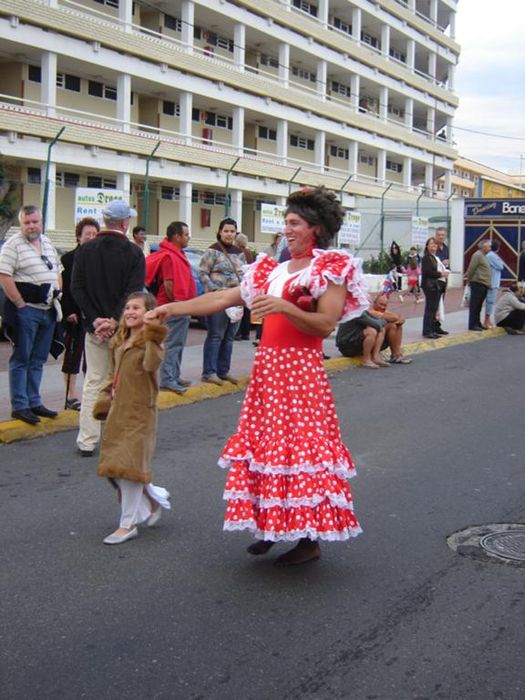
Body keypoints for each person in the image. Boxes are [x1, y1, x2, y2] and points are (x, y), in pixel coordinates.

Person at [146, 186, 368, 566]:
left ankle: (308, 539)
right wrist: (173, 308)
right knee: (266, 449)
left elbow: (325, 324)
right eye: (286, 223)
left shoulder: (329, 267)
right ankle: (271, 526)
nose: (288, 229)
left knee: (301, 451)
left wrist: (284, 306)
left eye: (295, 223)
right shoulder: (273, 269)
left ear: (315, 227)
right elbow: (222, 299)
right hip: (268, 371)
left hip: (300, 374)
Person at [93, 292, 170, 545]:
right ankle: (152, 497)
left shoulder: (152, 343)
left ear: (148, 312)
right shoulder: (119, 341)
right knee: (113, 470)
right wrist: (104, 398)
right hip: (118, 411)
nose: (130, 312)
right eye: (127, 307)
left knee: (129, 469)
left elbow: (150, 365)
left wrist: (153, 334)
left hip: (139, 412)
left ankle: (127, 525)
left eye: (136, 308)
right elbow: (111, 374)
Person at [71, 200, 145, 456]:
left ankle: (87, 440)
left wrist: (95, 320)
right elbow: (134, 292)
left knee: (94, 381)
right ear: (125, 223)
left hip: (94, 329)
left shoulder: (85, 251)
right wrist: (115, 319)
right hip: (123, 327)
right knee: (122, 382)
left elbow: (77, 288)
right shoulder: (134, 253)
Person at [0, 205, 62, 425]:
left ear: (41, 222)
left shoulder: (47, 242)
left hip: (48, 310)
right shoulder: (12, 246)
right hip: (26, 311)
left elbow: (57, 271)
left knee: (38, 359)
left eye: (35, 222)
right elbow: (4, 275)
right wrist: (20, 304)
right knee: (22, 358)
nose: (31, 226)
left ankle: (34, 401)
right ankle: (20, 405)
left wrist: (57, 292)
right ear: (21, 223)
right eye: (27, 222)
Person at [147, 221, 196, 394]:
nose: (189, 237)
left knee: (178, 343)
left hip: (181, 305)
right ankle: (168, 378)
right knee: (173, 344)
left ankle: (175, 375)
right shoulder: (169, 256)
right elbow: (169, 284)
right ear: (177, 236)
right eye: (186, 234)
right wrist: (176, 304)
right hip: (174, 307)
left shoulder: (177, 254)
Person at [198, 217, 245, 386]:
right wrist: (214, 290)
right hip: (217, 300)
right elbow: (202, 273)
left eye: (232, 231)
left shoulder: (239, 252)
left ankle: (223, 370)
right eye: (226, 231)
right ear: (219, 232)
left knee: (229, 337)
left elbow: (244, 274)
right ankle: (209, 372)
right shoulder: (212, 251)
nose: (229, 234)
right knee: (216, 335)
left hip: (236, 300)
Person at [60, 217, 100, 410]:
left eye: (94, 234)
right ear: (79, 237)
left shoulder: (100, 261)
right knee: (73, 355)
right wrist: (68, 311)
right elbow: (66, 289)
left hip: (93, 316)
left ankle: (89, 394)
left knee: (91, 358)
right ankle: (71, 395)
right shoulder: (68, 259)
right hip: (75, 315)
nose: (91, 238)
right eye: (87, 234)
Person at [336, 293, 412, 367]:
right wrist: (389, 319)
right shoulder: (359, 312)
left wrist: (397, 318)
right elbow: (378, 324)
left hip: (356, 341)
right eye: (380, 304)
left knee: (394, 325)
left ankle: (396, 355)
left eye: (385, 305)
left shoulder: (365, 311)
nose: (383, 307)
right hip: (348, 346)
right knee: (373, 330)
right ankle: (368, 358)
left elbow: (395, 317)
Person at [421, 236, 449, 339]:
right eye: (431, 244)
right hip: (430, 286)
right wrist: (440, 274)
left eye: (435, 244)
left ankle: (434, 328)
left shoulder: (434, 257)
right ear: (427, 246)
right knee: (430, 309)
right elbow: (428, 272)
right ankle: (427, 330)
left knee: (434, 309)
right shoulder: (427, 258)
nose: (434, 246)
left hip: (436, 285)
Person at [465, 239, 491, 331]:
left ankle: (477, 322)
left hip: (483, 284)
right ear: (484, 247)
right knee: (475, 305)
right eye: (489, 246)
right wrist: (469, 280)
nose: (490, 248)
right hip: (478, 283)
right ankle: (472, 324)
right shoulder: (477, 255)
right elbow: (471, 268)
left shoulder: (484, 256)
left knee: (479, 305)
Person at [235, 233, 255, 341]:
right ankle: (246, 333)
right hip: (248, 282)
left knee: (238, 307)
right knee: (246, 309)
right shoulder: (249, 253)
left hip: (240, 282)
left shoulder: (238, 252)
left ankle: (237, 333)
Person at [484, 240, 504, 329]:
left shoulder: (492, 255)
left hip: (493, 281)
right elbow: (501, 266)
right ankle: (487, 320)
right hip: (492, 282)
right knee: (490, 301)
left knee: (491, 301)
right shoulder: (491, 255)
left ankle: (488, 319)